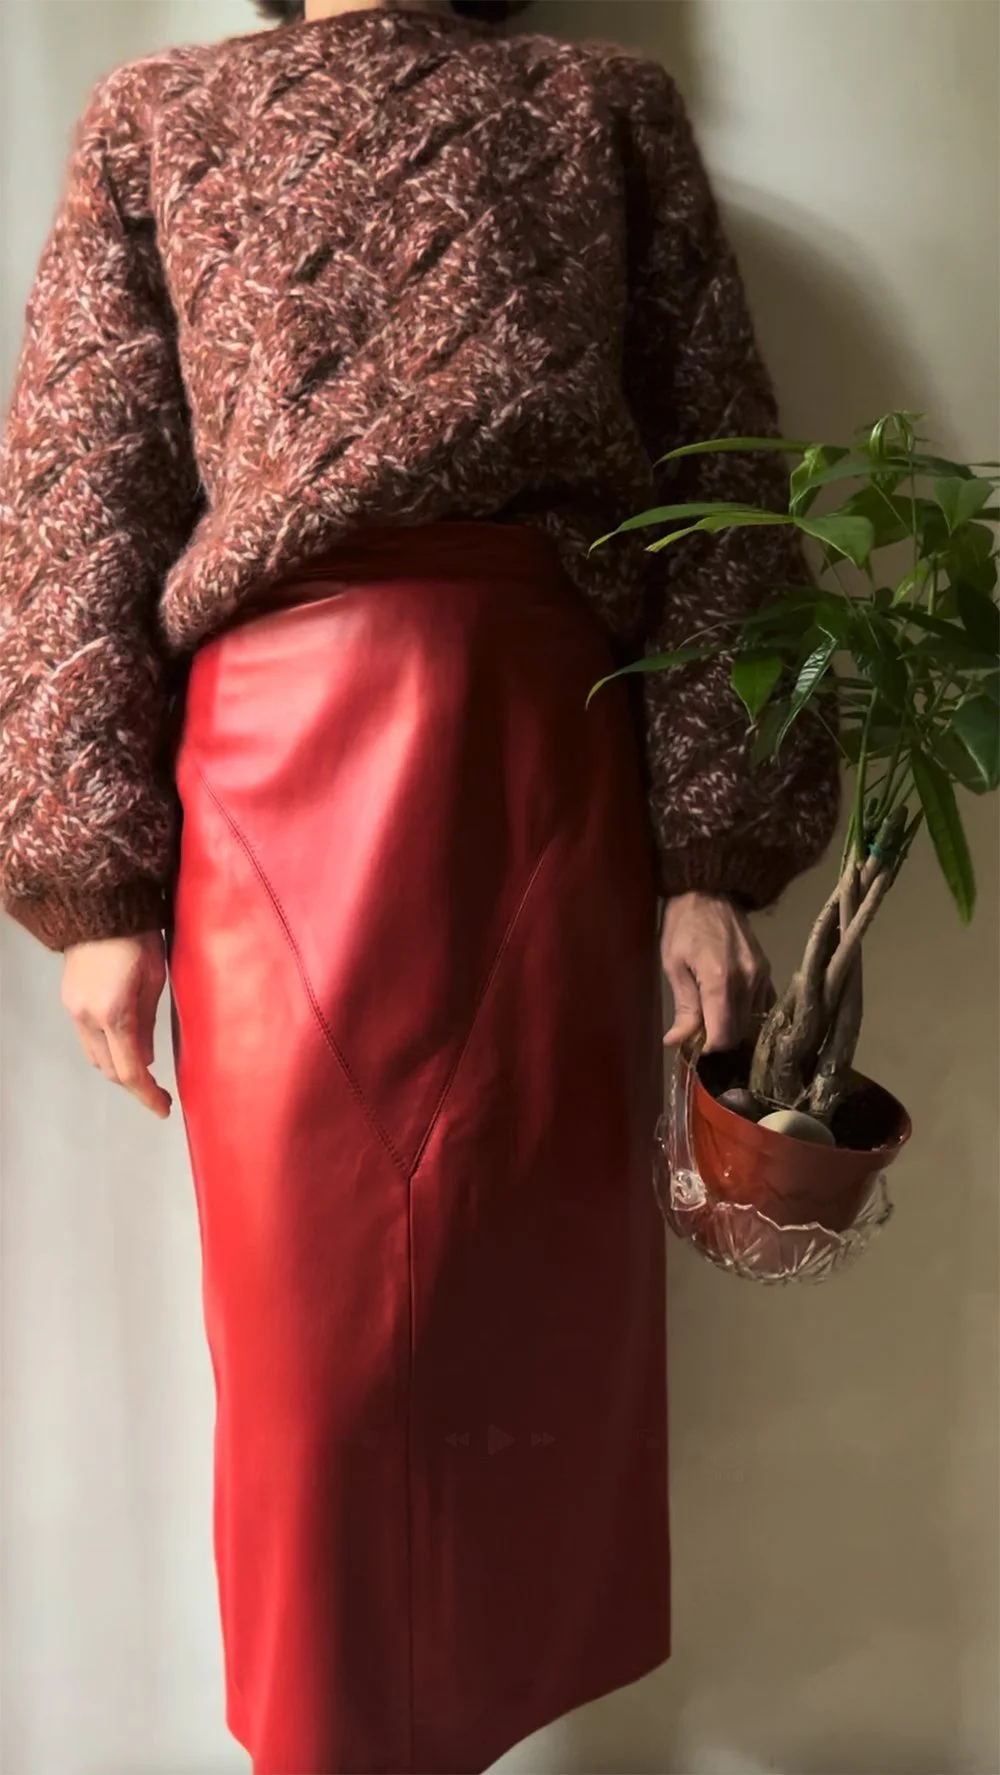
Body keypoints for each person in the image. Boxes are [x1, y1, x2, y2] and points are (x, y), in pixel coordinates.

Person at [0, 0, 839, 1769]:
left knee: (533, 1328)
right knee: (315, 1372)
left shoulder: (599, 107)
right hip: (264, 785)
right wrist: (94, 887)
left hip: (543, 762)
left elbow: (721, 482)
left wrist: (713, 854)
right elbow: (84, 490)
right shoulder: (157, 117)